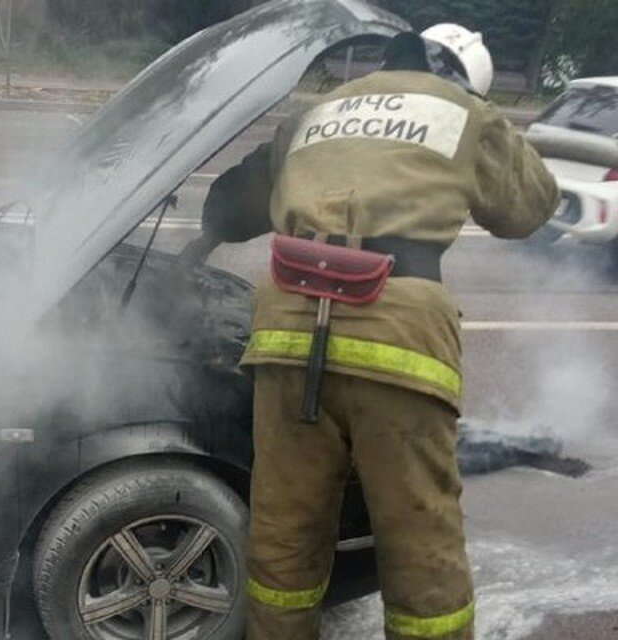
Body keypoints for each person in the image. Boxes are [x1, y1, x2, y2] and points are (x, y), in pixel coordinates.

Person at [189, 24, 560, 639]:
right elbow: (528, 208)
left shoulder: (319, 111)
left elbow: (228, 209)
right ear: (466, 79)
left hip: (286, 336)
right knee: (420, 543)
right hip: (398, 345)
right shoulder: (466, 112)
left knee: (284, 537)